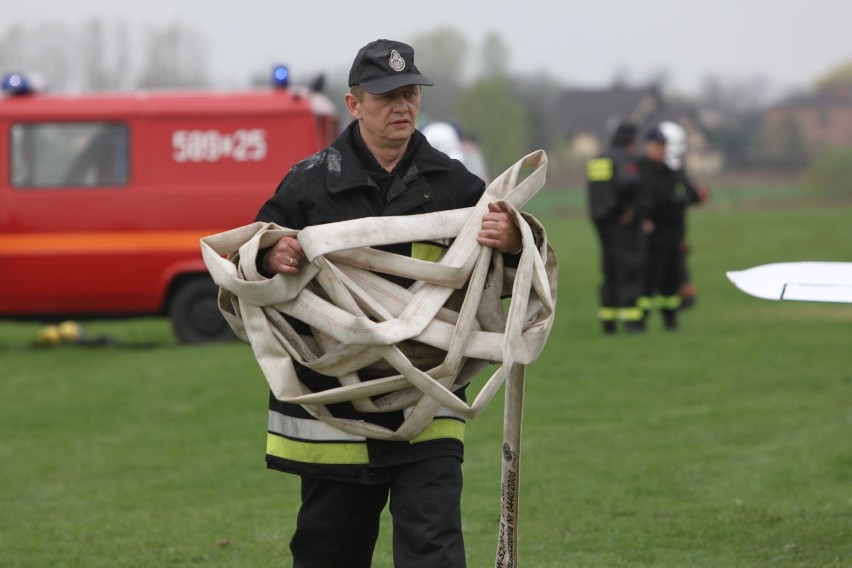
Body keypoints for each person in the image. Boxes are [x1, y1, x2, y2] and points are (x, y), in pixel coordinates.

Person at [253, 39, 524, 568]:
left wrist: (513, 238)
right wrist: (271, 254)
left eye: (410, 93)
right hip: (335, 405)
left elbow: (505, 277)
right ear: (353, 105)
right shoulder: (309, 184)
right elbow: (255, 259)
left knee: (433, 549)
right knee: (330, 550)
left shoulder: (455, 184)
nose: (402, 106)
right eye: (386, 96)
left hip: (429, 397)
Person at [638, 122, 706, 330]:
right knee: (648, 279)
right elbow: (647, 199)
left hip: (673, 234)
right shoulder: (641, 169)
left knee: (670, 279)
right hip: (652, 235)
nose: (662, 150)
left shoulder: (671, 170)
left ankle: (670, 319)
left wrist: (683, 199)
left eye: (664, 145)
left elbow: (688, 194)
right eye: (658, 145)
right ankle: (640, 321)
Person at [586, 121, 650, 334]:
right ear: (631, 140)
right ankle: (632, 323)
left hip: (602, 223)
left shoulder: (597, 160)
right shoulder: (623, 158)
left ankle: (608, 321)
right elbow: (628, 182)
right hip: (623, 225)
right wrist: (630, 209)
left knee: (609, 270)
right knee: (630, 269)